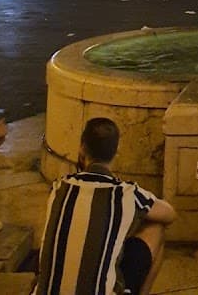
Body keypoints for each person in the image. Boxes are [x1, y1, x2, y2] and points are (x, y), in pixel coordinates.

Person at [33, 117, 175, 295]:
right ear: (116, 152)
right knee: (156, 228)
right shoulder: (126, 194)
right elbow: (170, 214)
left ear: (82, 148)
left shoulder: (58, 188)